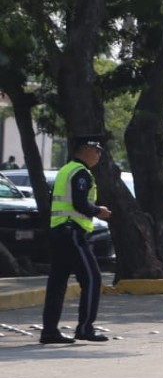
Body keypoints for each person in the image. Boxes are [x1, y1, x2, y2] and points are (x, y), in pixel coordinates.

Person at [40, 136, 112, 344]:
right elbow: (80, 204)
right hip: (72, 231)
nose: (99, 154)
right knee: (92, 278)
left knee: (57, 282)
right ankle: (85, 328)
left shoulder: (66, 169)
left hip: (60, 231)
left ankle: (49, 331)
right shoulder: (80, 173)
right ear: (86, 149)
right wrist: (99, 211)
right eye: (97, 150)